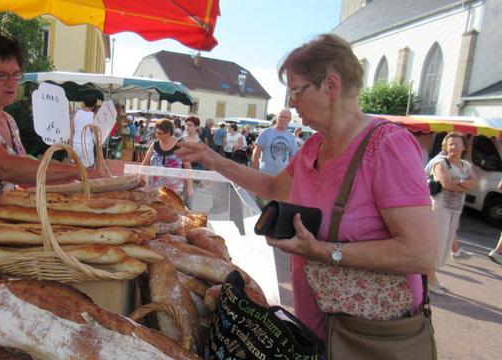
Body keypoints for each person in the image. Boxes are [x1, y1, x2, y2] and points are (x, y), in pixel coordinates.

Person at [176, 34, 436, 343]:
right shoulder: (314, 146)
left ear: (331, 85)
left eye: (296, 91)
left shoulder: (387, 145)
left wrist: (324, 252)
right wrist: (213, 159)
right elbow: (273, 187)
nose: (290, 103)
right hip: (319, 327)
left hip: (370, 337)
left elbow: (420, 252)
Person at [0, 33, 99, 330]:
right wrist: (77, 170)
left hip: (5, 233)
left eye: (15, 75)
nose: (11, 83)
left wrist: (74, 186)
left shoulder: (8, 120)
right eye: (0, 75)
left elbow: (27, 174)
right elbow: (7, 168)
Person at [427, 132, 477, 295]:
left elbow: (475, 182)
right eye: (450, 144)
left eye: (457, 143)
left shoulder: (465, 165)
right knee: (437, 245)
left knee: (446, 245)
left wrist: (459, 183)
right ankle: (429, 279)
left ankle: (432, 277)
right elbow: (447, 184)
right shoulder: (441, 163)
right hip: (440, 208)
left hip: (456, 209)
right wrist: (464, 184)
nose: (453, 147)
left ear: (464, 147)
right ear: (445, 146)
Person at [141, 119, 193, 198]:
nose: (156, 135)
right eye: (156, 132)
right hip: (154, 190)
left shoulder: (179, 146)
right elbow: (145, 163)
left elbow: (188, 168)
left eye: (159, 133)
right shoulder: (154, 145)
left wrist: (190, 187)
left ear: (168, 133)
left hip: (175, 191)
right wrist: (140, 179)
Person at [252, 108, 299, 175]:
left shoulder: (291, 137)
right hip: (265, 174)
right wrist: (255, 172)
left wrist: (290, 176)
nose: (282, 119)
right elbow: (256, 153)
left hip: (281, 177)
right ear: (277, 117)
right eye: (280, 116)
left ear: (289, 120)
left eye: (285, 117)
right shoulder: (266, 132)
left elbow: (292, 158)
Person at [69, 94, 98, 167]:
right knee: (88, 170)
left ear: (84, 103)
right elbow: (95, 134)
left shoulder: (75, 114)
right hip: (87, 146)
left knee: (75, 168)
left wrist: (69, 146)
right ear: (94, 105)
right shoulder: (94, 116)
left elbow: (71, 132)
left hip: (76, 145)